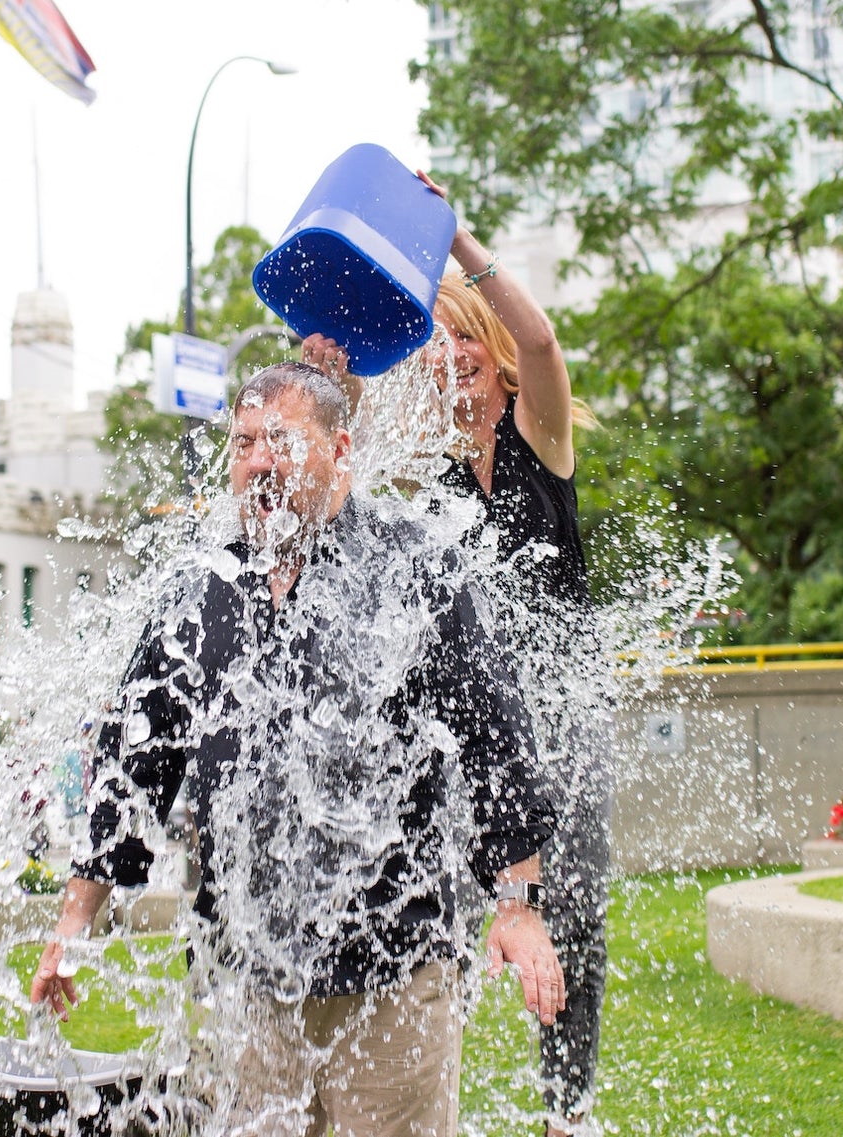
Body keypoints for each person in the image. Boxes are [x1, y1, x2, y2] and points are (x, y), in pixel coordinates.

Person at [30, 362, 564, 1137]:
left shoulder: (410, 566)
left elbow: (494, 735)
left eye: (281, 440)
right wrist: (74, 921)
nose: (258, 461)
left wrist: (517, 907)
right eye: (244, 442)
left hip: (394, 971)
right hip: (245, 977)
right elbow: (134, 765)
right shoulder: (202, 588)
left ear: (340, 448)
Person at [303, 172, 610, 1137]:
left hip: (563, 720)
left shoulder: (539, 441)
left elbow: (548, 344)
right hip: (480, 731)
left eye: (466, 343)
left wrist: (461, 243)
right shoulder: (430, 489)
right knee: (444, 903)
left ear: (493, 353)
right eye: (437, 351)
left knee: (570, 910)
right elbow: (342, 500)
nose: (453, 363)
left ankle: (569, 1112)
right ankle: (431, 1097)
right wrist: (333, 383)